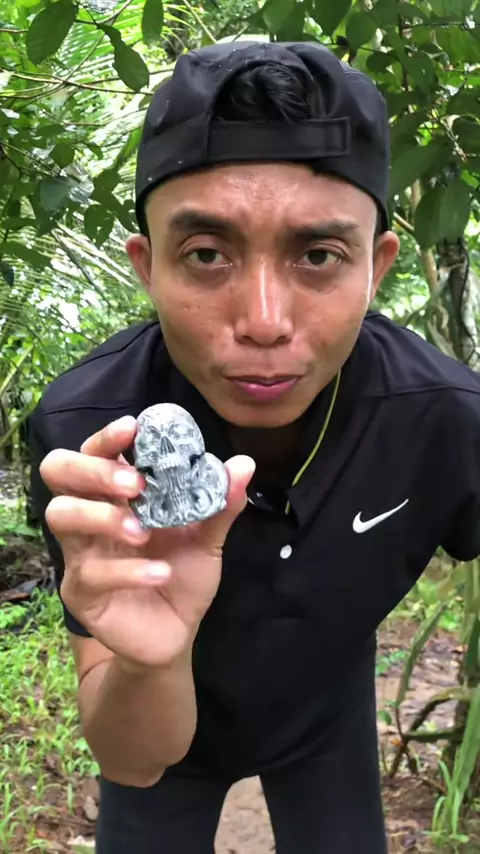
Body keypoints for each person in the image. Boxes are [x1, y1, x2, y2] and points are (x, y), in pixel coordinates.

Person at [28, 41, 480, 854]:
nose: (265, 321)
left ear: (375, 268)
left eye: (319, 256)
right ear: (148, 267)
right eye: (206, 254)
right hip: (161, 722)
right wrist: (150, 661)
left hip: (328, 712)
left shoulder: (443, 419)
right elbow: (130, 759)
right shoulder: (89, 435)